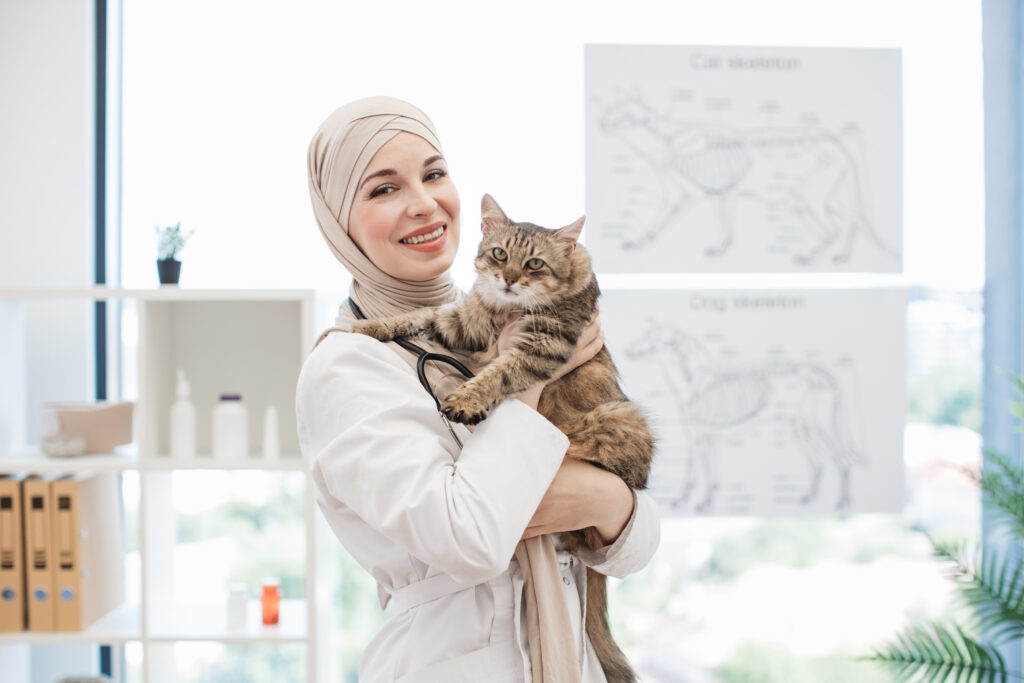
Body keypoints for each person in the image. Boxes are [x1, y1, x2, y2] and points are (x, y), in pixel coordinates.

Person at [296, 96, 660, 682]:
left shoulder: (502, 310)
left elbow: (636, 547)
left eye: (434, 174)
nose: (423, 203)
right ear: (340, 223)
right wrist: (532, 373)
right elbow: (468, 538)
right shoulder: (345, 367)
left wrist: (611, 502)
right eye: (384, 189)